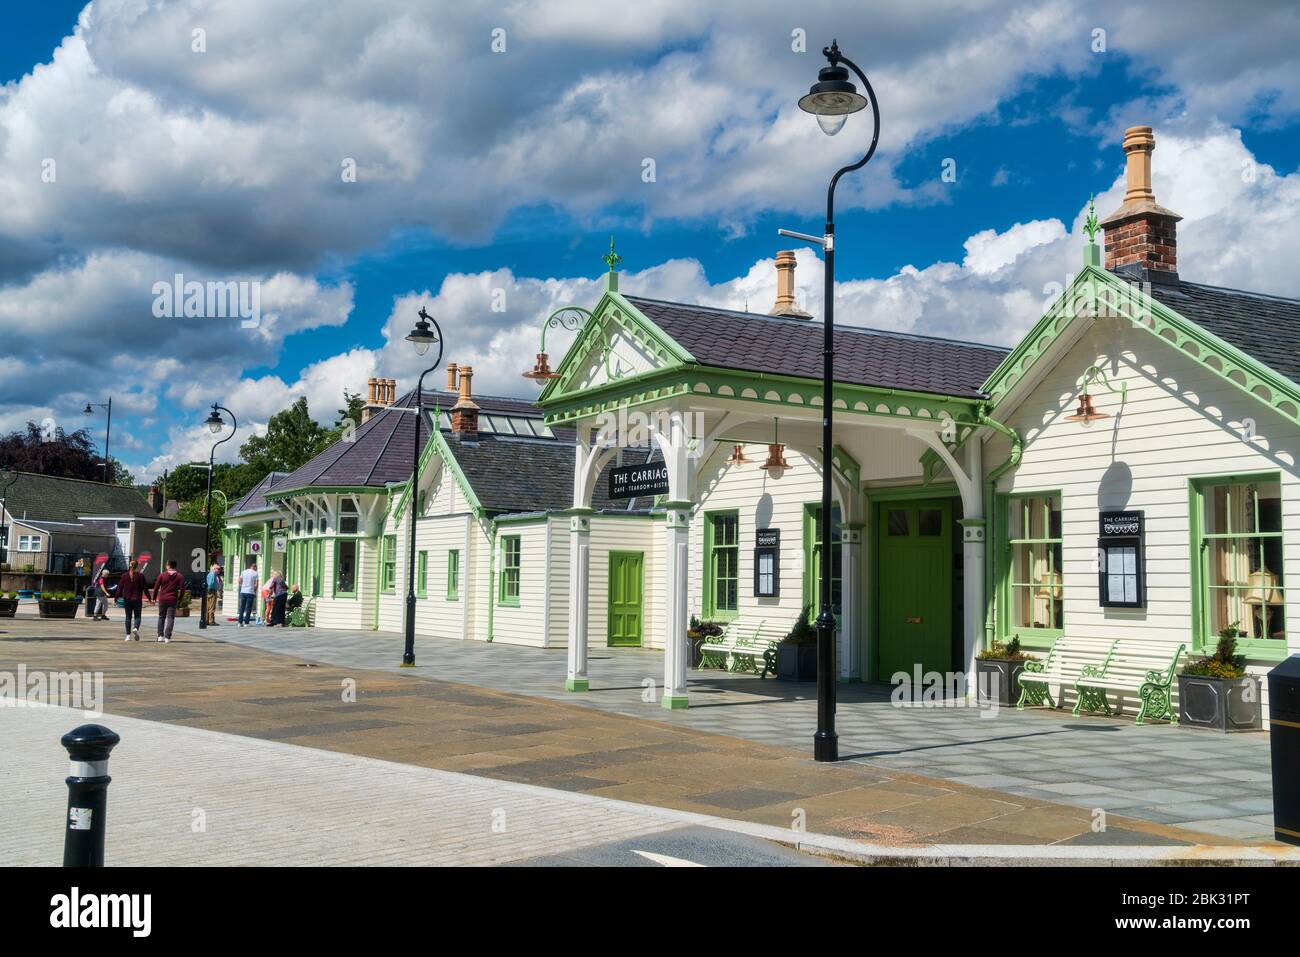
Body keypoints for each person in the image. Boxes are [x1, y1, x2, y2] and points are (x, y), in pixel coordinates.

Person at [151, 559, 185, 643]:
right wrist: (180, 599)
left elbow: (156, 587)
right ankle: (167, 637)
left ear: (168, 566)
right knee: (170, 618)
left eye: (166, 565)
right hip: (172, 599)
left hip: (162, 599)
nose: (165, 566)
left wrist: (154, 598)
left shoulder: (162, 575)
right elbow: (182, 589)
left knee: (161, 617)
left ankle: (160, 636)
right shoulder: (179, 576)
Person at [117, 559, 148, 642]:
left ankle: (127, 635)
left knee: (128, 617)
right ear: (137, 566)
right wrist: (150, 598)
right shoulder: (141, 576)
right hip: (137, 599)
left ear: (129, 566)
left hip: (127, 599)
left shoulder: (124, 576)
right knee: (137, 616)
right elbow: (145, 588)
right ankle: (135, 628)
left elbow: (119, 587)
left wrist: (116, 598)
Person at [237, 559, 259, 628]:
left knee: (242, 607)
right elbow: (256, 584)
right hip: (250, 592)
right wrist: (254, 591)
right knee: (249, 608)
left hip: (243, 591)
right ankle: (246, 623)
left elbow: (239, 580)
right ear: (255, 567)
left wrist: (242, 586)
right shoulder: (255, 573)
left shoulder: (244, 572)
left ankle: (239, 622)